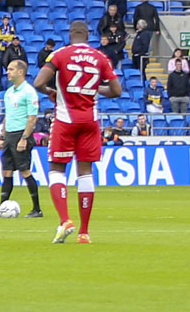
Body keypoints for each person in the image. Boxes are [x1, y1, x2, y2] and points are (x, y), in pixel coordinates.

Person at [34, 21, 123, 244]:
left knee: (56, 169)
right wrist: (93, 89)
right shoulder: (100, 57)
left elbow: (38, 82)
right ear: (87, 34)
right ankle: (84, 232)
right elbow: (116, 90)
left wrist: (51, 91)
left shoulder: (60, 54)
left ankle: (65, 220)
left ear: (71, 34)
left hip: (66, 119)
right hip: (90, 121)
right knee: (85, 172)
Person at [0, 58, 43, 218]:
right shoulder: (9, 92)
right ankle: (1, 208)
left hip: (21, 134)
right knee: (7, 172)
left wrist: (24, 138)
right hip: (10, 136)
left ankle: (37, 209)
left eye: (11, 69)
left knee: (24, 171)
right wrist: (2, 136)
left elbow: (32, 118)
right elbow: (8, 115)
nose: (8, 72)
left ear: (20, 72)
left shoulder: (29, 92)